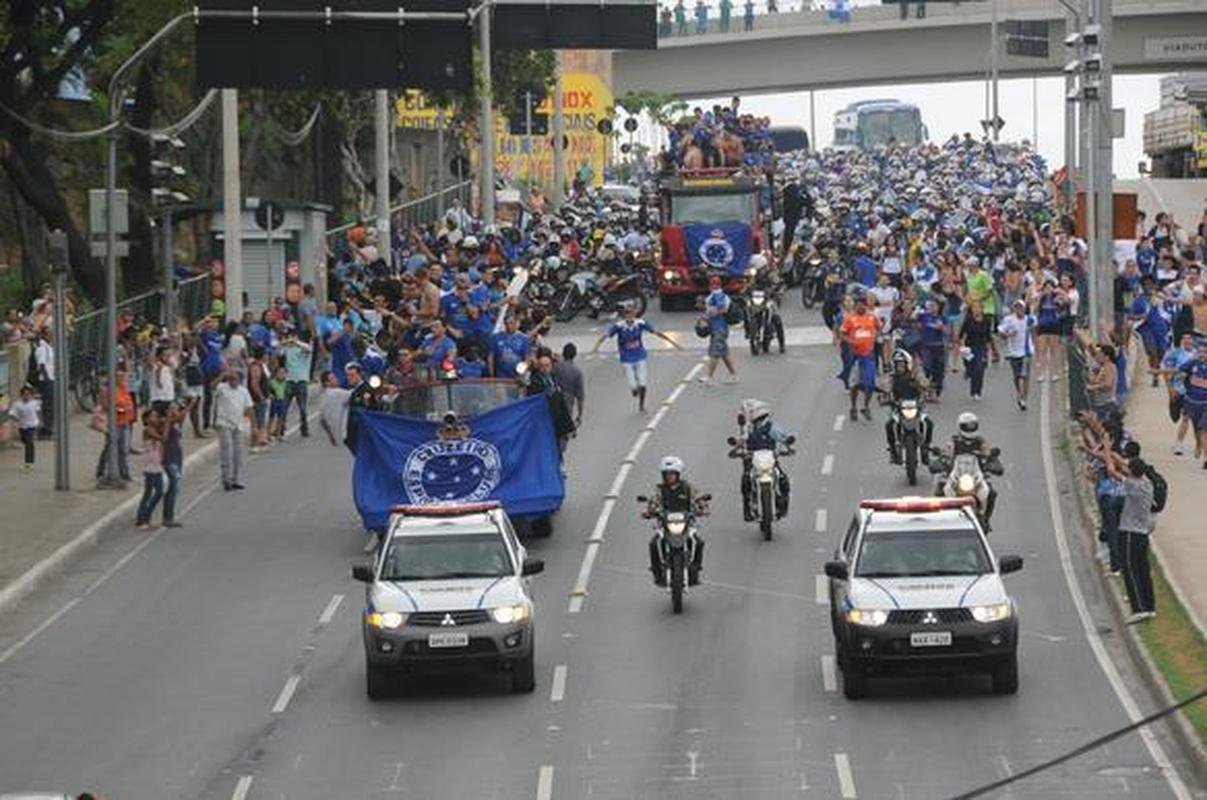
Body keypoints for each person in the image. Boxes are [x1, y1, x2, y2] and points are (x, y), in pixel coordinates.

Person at [592, 302, 682, 411]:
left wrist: (673, 343)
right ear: (624, 315)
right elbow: (605, 336)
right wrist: (596, 347)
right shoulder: (619, 326)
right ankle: (635, 391)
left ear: (634, 314)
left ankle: (641, 405)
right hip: (626, 358)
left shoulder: (640, 323)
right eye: (627, 314)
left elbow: (656, 332)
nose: (629, 316)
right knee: (634, 388)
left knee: (643, 384)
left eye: (631, 313)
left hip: (640, 356)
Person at [1105, 455, 1157, 623]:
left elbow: (1111, 471)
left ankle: (1138, 608)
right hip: (1142, 533)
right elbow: (1125, 467)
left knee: (1129, 569)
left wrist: (1107, 451)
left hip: (1129, 533)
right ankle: (1150, 607)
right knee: (1143, 571)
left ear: (1132, 471)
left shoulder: (1131, 485)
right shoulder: (1147, 483)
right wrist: (1114, 454)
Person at [644, 455, 706, 586]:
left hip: (686, 524)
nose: (669, 477)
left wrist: (702, 508)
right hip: (665, 524)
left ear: (678, 474)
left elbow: (698, 499)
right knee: (653, 543)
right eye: (666, 474)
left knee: (699, 542)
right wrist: (648, 511)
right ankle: (657, 572)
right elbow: (653, 502)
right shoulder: (659, 489)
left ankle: (695, 570)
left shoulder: (687, 487)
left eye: (672, 474)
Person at [738, 400, 793, 521]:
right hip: (753, 460)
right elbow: (741, 441)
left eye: (751, 412)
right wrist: (739, 450)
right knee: (746, 480)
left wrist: (788, 447)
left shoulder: (772, 427)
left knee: (783, 479)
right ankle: (747, 508)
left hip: (770, 459)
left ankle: (783, 504)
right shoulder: (748, 428)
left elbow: (783, 438)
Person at [880, 351, 933, 464]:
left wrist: (924, 386)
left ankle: (926, 449)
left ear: (908, 364)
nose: (900, 367)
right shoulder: (892, 376)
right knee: (889, 425)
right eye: (897, 364)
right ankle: (893, 451)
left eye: (902, 364)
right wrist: (885, 394)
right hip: (898, 407)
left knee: (929, 423)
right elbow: (885, 385)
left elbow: (924, 382)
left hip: (917, 406)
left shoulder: (916, 374)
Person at [838, 292, 879, 420]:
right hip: (855, 356)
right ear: (855, 306)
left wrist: (874, 338)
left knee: (870, 384)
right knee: (855, 384)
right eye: (858, 304)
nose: (861, 307)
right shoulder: (849, 318)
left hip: (869, 356)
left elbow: (879, 328)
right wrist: (851, 341)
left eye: (863, 304)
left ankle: (866, 407)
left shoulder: (872, 317)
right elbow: (842, 333)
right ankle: (853, 407)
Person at [213, 369, 254, 491]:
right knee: (227, 453)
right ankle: (227, 480)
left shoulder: (243, 391)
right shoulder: (222, 388)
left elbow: (249, 408)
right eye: (231, 379)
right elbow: (212, 386)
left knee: (237, 454)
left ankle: (236, 479)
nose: (233, 381)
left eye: (235, 379)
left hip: (238, 425)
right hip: (224, 423)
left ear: (240, 380)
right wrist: (222, 375)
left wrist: (254, 425)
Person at [998, 298, 1036, 411]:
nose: (1019, 310)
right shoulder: (1009, 320)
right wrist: (1008, 334)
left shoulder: (1030, 319)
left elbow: (1035, 328)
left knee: (1025, 376)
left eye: (1021, 308)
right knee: (1016, 376)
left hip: (1026, 352)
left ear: (1024, 309)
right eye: (1017, 308)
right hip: (1013, 352)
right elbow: (1000, 332)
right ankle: (1019, 394)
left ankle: (1023, 399)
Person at [700, 275, 739, 384]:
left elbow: (722, 309)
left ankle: (709, 377)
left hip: (719, 327)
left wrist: (708, 316)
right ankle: (733, 375)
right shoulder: (718, 295)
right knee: (724, 353)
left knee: (715, 353)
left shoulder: (717, 295)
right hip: (717, 327)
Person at [160, 399, 190, 528]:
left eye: (176, 409)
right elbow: (164, 438)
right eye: (172, 408)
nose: (175, 411)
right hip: (169, 457)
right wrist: (168, 419)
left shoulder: (175, 422)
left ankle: (169, 515)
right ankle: (167, 517)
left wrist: (189, 406)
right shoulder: (165, 422)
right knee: (173, 486)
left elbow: (181, 417)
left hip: (177, 456)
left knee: (175, 487)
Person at [134, 407, 165, 529]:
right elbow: (162, 438)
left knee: (158, 491)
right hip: (150, 466)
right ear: (146, 419)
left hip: (156, 464)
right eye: (152, 416)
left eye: (156, 416)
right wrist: (167, 422)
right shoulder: (147, 430)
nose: (155, 419)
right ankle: (143, 518)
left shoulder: (156, 429)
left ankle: (144, 516)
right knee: (149, 492)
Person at [280, 327, 313, 437]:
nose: (290, 338)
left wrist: (296, 342)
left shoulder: (302, 348)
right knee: (284, 407)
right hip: (289, 380)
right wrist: (284, 343)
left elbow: (308, 349)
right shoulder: (287, 349)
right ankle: (281, 428)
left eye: (292, 336)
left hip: (301, 380)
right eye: (289, 336)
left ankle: (304, 429)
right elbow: (279, 351)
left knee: (302, 408)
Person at [552, 343, 585, 426]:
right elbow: (580, 396)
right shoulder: (577, 372)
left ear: (563, 353)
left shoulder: (555, 367)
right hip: (568, 403)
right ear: (575, 355)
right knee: (565, 427)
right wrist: (580, 415)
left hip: (553, 400)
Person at [10, 384, 39, 472]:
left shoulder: (34, 403)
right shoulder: (17, 404)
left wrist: (40, 422)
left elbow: (38, 412)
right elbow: (12, 414)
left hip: (32, 425)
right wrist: (16, 420)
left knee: (29, 442)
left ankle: (28, 463)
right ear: (21, 395)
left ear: (31, 395)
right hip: (22, 426)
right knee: (25, 441)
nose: (26, 396)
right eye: (25, 394)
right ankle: (30, 455)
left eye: (28, 394)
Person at [33, 327, 55, 438]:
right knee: (47, 405)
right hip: (46, 380)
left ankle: (49, 426)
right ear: (43, 335)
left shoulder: (49, 347)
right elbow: (41, 365)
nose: (50, 336)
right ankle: (47, 428)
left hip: (51, 378)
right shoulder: (42, 348)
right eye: (48, 334)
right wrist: (47, 379)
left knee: (51, 404)